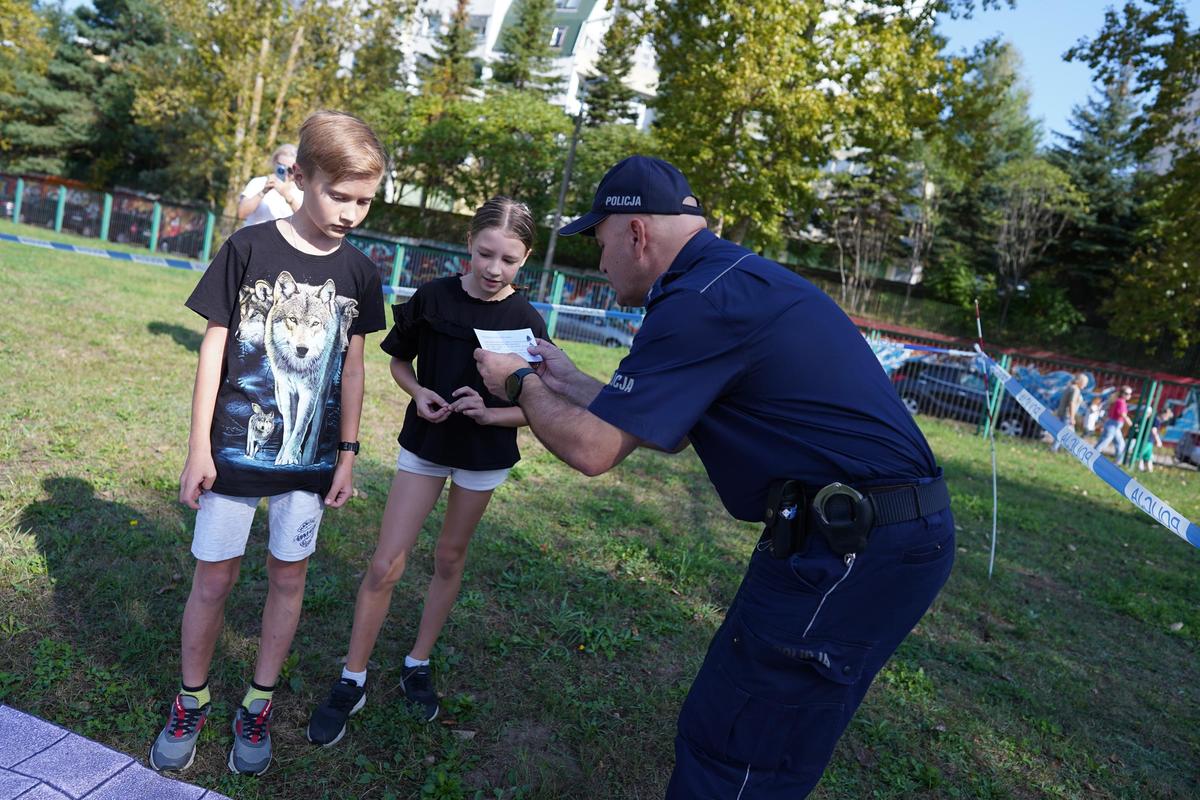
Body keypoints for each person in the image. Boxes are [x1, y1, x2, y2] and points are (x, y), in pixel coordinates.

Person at [474, 156, 955, 798]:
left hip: (850, 547)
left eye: (601, 240)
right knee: (754, 733)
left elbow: (593, 451)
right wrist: (566, 381)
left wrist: (518, 380)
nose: (599, 260)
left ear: (637, 233)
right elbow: (650, 425)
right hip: (854, 536)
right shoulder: (728, 280)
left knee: (739, 753)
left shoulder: (699, 302)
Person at [149, 111, 388, 776]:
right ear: (301, 177)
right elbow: (214, 347)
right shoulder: (249, 249)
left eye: (365, 200)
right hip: (232, 456)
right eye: (339, 195)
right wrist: (198, 448)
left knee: (289, 579)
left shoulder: (362, 274)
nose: (351, 212)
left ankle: (257, 702)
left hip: (309, 467)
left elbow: (353, 366)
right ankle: (191, 698)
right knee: (214, 579)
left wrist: (347, 454)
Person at [305, 196, 549, 745]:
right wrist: (417, 394)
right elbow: (397, 360)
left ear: (525, 259)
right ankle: (353, 677)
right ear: (468, 244)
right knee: (387, 561)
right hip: (427, 443)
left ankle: (417, 662)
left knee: (448, 557)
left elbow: (540, 406)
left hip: (484, 455)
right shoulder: (433, 297)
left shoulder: (526, 321)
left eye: (508, 260)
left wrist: (492, 413)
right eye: (485, 253)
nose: (493, 269)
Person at [237, 143, 304, 227]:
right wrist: (263, 192)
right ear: (274, 162)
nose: (285, 172)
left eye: (290, 169)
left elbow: (306, 221)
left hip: (282, 239)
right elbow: (241, 214)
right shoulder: (259, 182)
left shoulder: (301, 190)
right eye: (281, 167)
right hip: (255, 237)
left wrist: (287, 196)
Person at [1096, 385, 1134, 463]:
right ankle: (1091, 456)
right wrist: (1129, 422)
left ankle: (1118, 462)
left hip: (1116, 426)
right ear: (1122, 393)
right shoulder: (1120, 401)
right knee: (1104, 441)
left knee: (1120, 444)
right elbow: (1122, 414)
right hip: (1113, 425)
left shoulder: (1120, 401)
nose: (1129, 396)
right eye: (1127, 393)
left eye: (1130, 394)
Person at [1050, 373, 1088, 452]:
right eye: (1085, 383)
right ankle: (1054, 449)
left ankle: (1058, 449)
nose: (1085, 385)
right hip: (1067, 415)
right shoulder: (1075, 390)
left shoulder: (1069, 387)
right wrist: (1072, 417)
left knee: (1064, 434)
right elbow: (1072, 403)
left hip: (1062, 414)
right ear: (1079, 381)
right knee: (1067, 435)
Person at [1136, 406, 1173, 472]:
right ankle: (1139, 469)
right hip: (1146, 441)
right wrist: (1158, 440)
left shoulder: (1155, 419)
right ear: (1163, 414)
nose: (1167, 419)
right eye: (1167, 417)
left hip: (1150, 441)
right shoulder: (1156, 420)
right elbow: (1153, 430)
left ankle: (1149, 471)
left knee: (1148, 457)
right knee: (1140, 455)